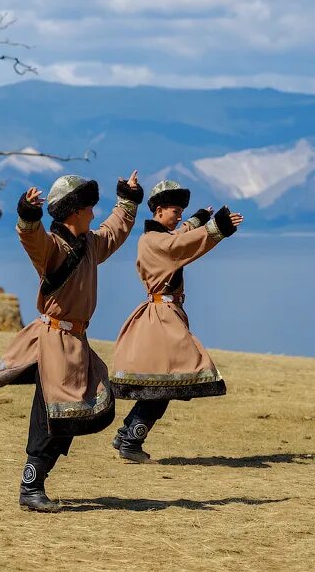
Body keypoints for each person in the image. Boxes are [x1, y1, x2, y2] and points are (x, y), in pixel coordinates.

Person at [0, 171, 143, 512]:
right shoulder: (53, 248)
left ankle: (35, 482)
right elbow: (32, 239)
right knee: (50, 414)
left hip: (76, 344)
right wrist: (28, 213)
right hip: (53, 341)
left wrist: (127, 200)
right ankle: (30, 487)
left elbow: (113, 231)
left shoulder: (90, 244)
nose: (94, 214)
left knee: (71, 414)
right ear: (74, 211)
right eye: (89, 208)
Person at [110, 180, 243, 462]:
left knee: (161, 383)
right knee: (166, 384)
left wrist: (199, 218)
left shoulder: (155, 238)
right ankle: (131, 441)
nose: (179, 216)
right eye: (176, 210)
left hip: (163, 316)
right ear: (159, 210)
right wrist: (218, 226)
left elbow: (180, 235)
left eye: (182, 211)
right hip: (161, 320)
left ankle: (126, 435)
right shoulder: (157, 242)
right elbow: (182, 243)